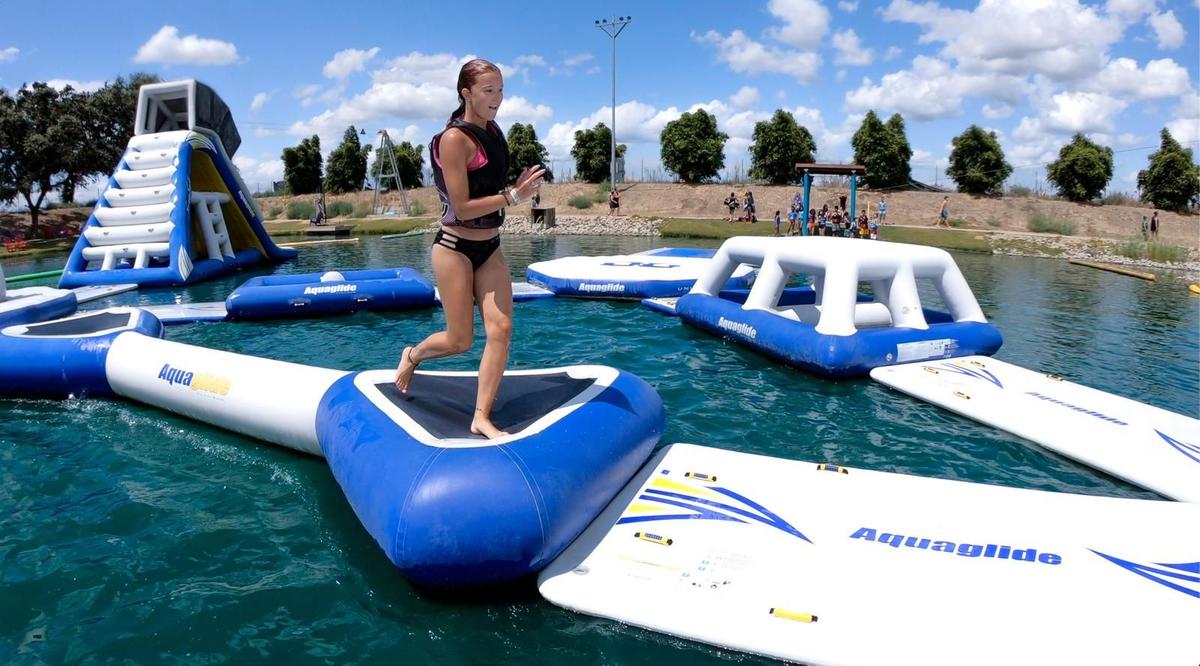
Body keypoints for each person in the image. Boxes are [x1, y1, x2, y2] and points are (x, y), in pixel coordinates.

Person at [393, 59, 545, 439]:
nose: (497, 98)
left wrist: (517, 186)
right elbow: (461, 208)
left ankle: (481, 417)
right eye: (489, 91)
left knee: (501, 328)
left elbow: (491, 190)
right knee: (459, 340)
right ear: (467, 93)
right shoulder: (453, 140)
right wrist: (514, 196)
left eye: (501, 90)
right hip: (454, 248)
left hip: (489, 247)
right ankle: (413, 354)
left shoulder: (494, 132)